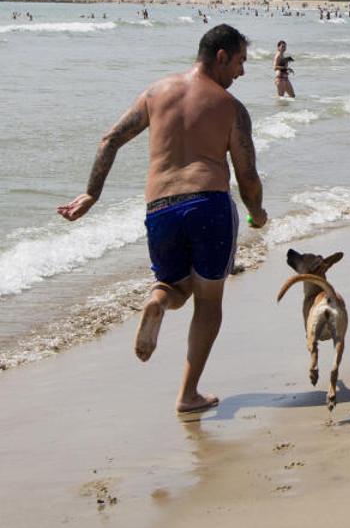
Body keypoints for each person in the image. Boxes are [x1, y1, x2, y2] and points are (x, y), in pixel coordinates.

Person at [57, 24, 268, 413]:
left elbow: (110, 139)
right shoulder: (231, 109)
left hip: (160, 209)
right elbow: (247, 176)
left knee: (173, 285)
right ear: (220, 56)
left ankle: (156, 300)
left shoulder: (156, 93)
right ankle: (188, 394)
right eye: (239, 62)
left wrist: (91, 193)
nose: (241, 72)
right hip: (208, 205)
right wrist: (258, 213)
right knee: (209, 303)